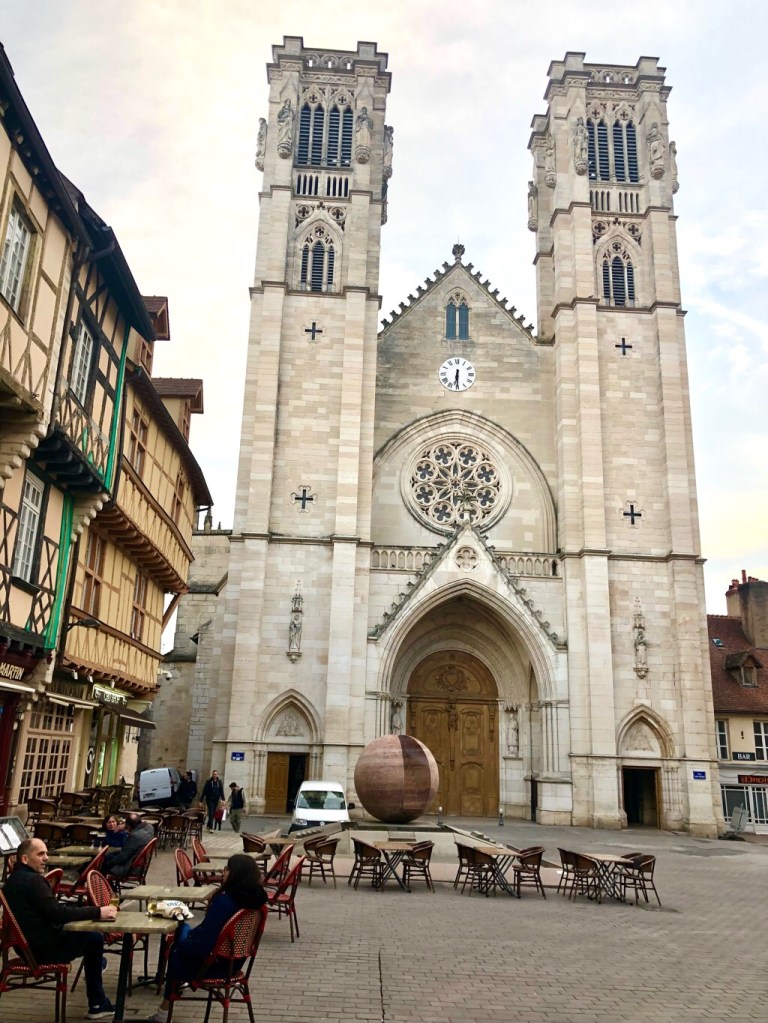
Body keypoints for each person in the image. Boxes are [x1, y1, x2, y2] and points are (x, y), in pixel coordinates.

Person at [141, 854, 267, 1023]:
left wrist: (182, 944)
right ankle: (164, 1010)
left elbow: (203, 945)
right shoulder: (257, 903)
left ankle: (164, 1012)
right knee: (184, 928)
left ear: (235, 874)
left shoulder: (225, 902)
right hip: (235, 963)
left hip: (212, 965)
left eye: (227, 869)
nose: (223, 872)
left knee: (177, 946)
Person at [3, 837, 117, 1020]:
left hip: (27, 947)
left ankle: (99, 972)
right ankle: (97, 1003)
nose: (46, 858)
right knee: (94, 938)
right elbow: (57, 914)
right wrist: (97, 911)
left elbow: (51, 912)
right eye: (40, 854)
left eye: (46, 853)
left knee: (89, 938)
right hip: (41, 950)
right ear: (25, 859)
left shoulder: (13, 880)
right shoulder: (33, 881)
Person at [104, 812, 154, 879]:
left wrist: (110, 862)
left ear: (129, 826)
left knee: (102, 864)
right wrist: (124, 825)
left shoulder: (134, 836)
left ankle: (104, 884)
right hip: (140, 866)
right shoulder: (150, 828)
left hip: (131, 868)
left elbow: (122, 857)